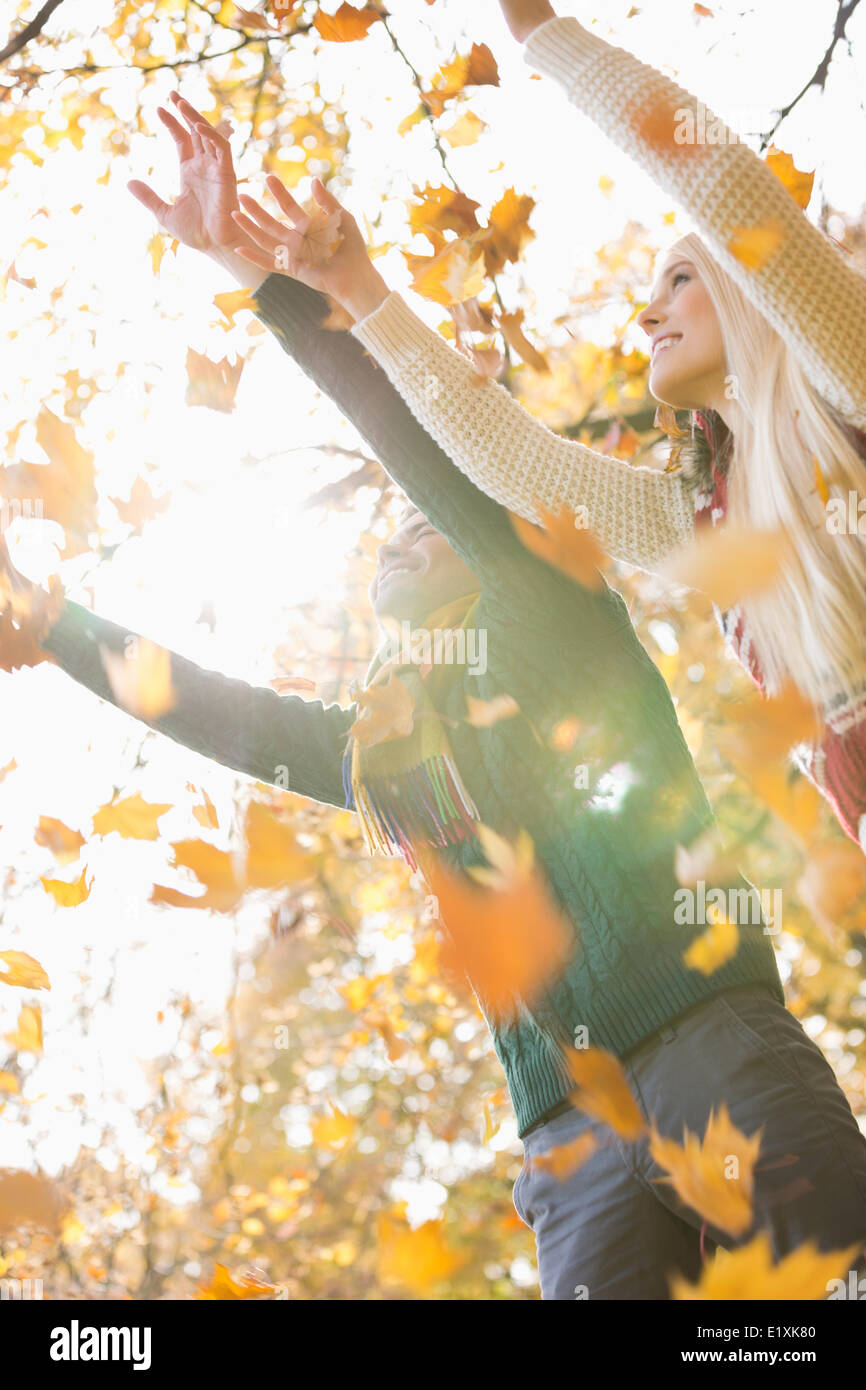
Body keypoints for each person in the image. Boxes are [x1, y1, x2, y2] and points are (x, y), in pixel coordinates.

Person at [9, 94, 866, 1301]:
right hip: (567, 1142)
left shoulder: (551, 609)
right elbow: (226, 715)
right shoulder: (386, 750)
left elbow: (418, 442)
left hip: (704, 1051)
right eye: (382, 547)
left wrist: (260, 282)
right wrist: (57, 629)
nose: (396, 544)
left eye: (426, 524)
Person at [223, 1, 866, 857]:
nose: (647, 313)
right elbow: (511, 457)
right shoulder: (707, 521)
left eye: (680, 278)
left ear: (753, 291)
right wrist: (361, 291)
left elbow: (721, 182)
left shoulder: (845, 385)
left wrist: (540, 34)